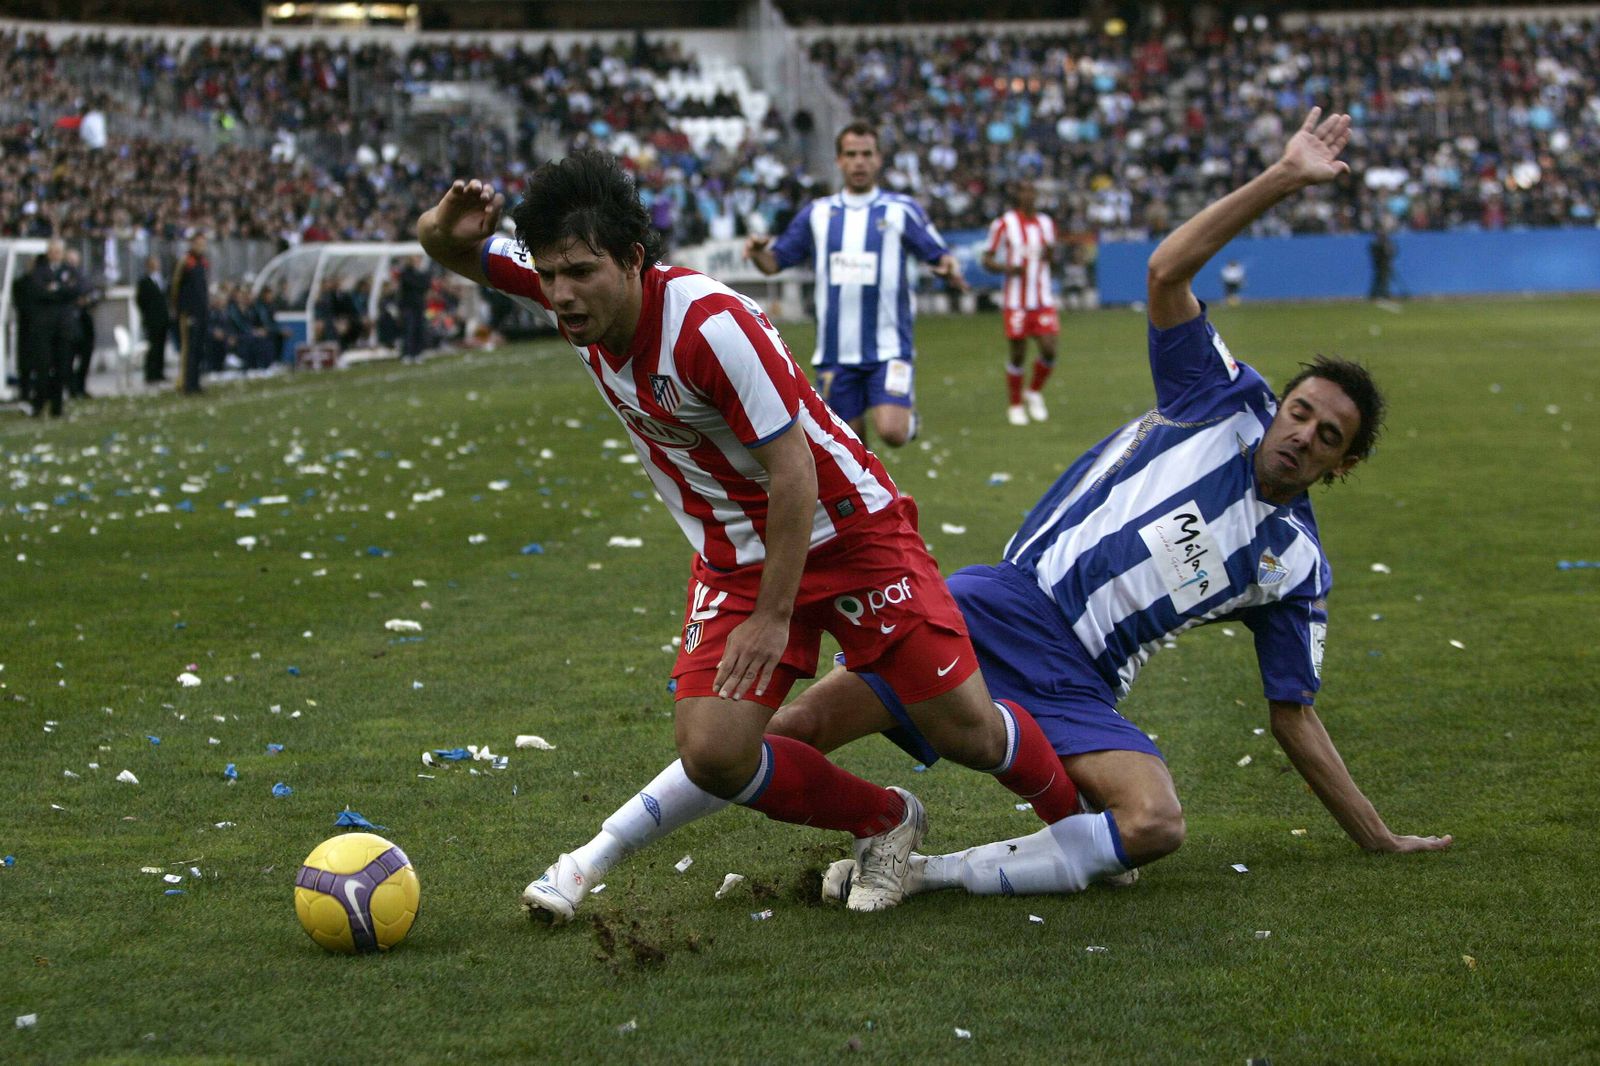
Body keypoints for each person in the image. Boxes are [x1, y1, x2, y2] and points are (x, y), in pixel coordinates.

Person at [770, 108, 1454, 903]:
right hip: (999, 607)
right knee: (792, 733)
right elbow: (1166, 271)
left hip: (1080, 687)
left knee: (1151, 825)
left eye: (1327, 434)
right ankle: (876, 819)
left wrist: (1377, 835)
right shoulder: (1219, 396)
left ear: (1345, 463)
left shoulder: (1296, 567)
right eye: (1299, 411)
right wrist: (1284, 177)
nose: (1301, 434)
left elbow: (1294, 715)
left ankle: (925, 873)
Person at [416, 152, 1074, 918]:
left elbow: (794, 473)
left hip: (853, 534)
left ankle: (1083, 828)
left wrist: (771, 618)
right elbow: (455, 248)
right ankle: (884, 820)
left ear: (632, 259)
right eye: (551, 273)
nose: (560, 293)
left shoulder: (708, 324)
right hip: (736, 553)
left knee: (968, 734)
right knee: (716, 751)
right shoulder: (575, 298)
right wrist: (441, 227)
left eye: (581, 272)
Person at [744, 121, 967, 448]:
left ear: (878, 159)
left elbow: (938, 254)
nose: (859, 161)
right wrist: (757, 254)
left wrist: (948, 268)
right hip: (836, 352)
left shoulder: (900, 210)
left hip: (890, 347)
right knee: (851, 447)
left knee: (892, 432)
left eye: (866, 154)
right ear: (839, 160)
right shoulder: (818, 213)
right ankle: (878, 499)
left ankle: (907, 421)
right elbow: (775, 262)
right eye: (851, 154)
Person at [980, 178, 1060, 426]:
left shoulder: (1046, 223)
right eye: (1024, 191)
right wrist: (1007, 268)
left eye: (1032, 191)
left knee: (1049, 349)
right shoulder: (1004, 224)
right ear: (1017, 195)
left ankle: (1033, 392)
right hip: (1015, 301)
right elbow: (987, 259)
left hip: (1041, 298)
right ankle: (1015, 405)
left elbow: (1051, 256)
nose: (1029, 195)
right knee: (1018, 353)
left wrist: (1050, 253)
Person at [25, 239, 81, 417]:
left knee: (63, 366)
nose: (55, 254)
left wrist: (55, 289)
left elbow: (75, 289)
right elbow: (38, 292)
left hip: (63, 327)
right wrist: (59, 291)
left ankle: (57, 407)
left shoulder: (69, 270)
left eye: (58, 251)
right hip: (45, 327)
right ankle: (39, 404)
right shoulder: (40, 271)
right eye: (53, 251)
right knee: (43, 366)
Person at [170, 233, 210, 395]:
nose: (202, 246)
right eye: (199, 243)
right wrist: (180, 310)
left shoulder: (203, 263)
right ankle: (185, 383)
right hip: (189, 312)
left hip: (202, 312)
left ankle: (195, 382)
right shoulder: (186, 262)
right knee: (189, 349)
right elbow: (176, 287)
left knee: (199, 348)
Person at [65, 248, 99, 399]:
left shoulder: (84, 276)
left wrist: (88, 300)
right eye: (69, 260)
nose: (72, 263)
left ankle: (81, 386)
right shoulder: (63, 276)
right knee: (69, 357)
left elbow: (94, 293)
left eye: (74, 260)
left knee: (86, 355)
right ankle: (72, 388)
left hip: (85, 321)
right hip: (70, 322)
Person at [136, 256, 169, 385]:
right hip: (151, 320)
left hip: (162, 319)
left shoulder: (161, 280)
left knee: (161, 346)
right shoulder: (144, 281)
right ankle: (150, 373)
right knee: (152, 347)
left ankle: (159, 372)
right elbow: (140, 301)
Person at [396, 256, 430, 362]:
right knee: (409, 329)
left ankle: (417, 353)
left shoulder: (421, 273)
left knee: (418, 329)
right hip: (408, 306)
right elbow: (414, 284)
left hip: (419, 305)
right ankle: (407, 353)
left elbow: (425, 285)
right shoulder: (406, 273)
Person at [1368, 230, 1396, 300]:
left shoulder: (1387, 244)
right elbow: (1375, 253)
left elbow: (1392, 252)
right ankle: (1378, 293)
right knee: (1380, 279)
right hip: (1379, 264)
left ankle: (1381, 293)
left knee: (1383, 279)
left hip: (1385, 263)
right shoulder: (1376, 244)